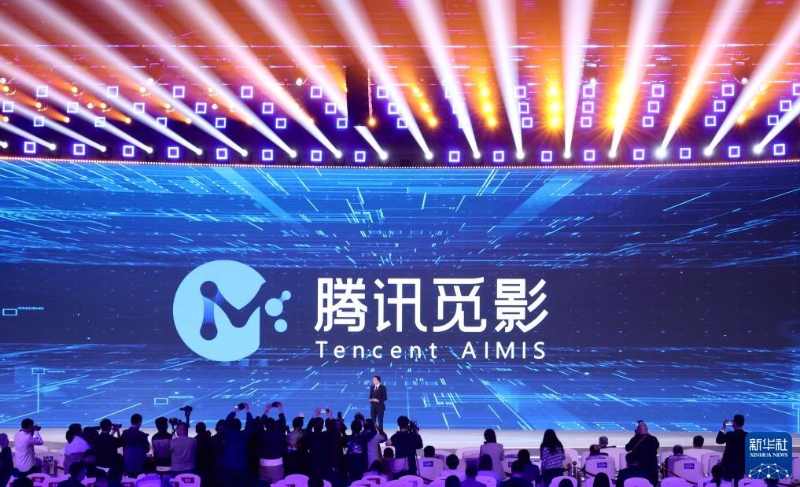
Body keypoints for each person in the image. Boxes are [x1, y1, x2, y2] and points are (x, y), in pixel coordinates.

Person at [222, 403, 254, 487]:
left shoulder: (226, 434)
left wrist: (235, 411)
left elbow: (226, 423)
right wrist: (247, 411)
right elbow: (250, 425)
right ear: (240, 426)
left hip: (229, 466)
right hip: (242, 467)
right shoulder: (244, 435)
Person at [257, 402, 286, 484]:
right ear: (275, 425)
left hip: (263, 463)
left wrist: (266, 411)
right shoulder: (279, 434)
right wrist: (280, 410)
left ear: (265, 425)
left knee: (264, 484)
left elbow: (259, 424)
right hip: (277, 463)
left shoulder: (261, 434)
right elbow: (283, 422)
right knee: (277, 484)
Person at [625, 421, 659, 487]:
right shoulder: (653, 439)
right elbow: (657, 446)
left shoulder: (635, 439)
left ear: (638, 430)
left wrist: (636, 435)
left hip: (640, 469)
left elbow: (627, 448)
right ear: (647, 430)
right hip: (653, 469)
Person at [716, 414, 747, 485]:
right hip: (741, 466)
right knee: (738, 484)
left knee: (725, 484)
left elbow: (719, 440)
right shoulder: (747, 436)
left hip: (728, 465)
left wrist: (723, 428)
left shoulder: (729, 434)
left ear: (734, 423)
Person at [194, 423, 214, 487]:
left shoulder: (194, 440)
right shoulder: (209, 439)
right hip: (208, 466)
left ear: (196, 430)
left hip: (198, 465)